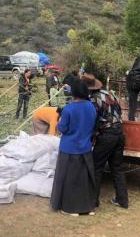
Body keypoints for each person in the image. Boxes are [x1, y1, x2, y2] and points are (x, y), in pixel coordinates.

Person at [50, 79, 97, 216]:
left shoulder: (69, 109)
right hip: (85, 148)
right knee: (84, 180)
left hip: (69, 149)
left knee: (69, 180)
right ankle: (88, 207)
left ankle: (69, 208)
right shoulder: (91, 107)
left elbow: (62, 128)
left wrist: (59, 122)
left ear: (73, 92)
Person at [82, 73, 128, 209]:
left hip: (107, 135)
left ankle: (92, 201)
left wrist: (92, 135)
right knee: (117, 168)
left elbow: (93, 119)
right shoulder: (109, 94)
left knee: (96, 167)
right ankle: (122, 200)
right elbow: (119, 111)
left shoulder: (93, 100)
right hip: (119, 132)